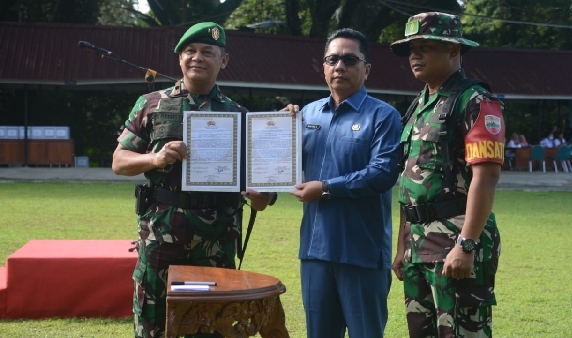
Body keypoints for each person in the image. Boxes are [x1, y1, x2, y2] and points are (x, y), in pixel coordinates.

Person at [112, 22, 276, 338]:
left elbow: (262, 183)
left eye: (207, 52)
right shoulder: (152, 105)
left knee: (213, 323)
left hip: (217, 237)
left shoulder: (239, 115)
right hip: (163, 233)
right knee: (153, 322)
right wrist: (155, 159)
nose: (197, 58)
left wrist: (263, 197)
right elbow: (119, 162)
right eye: (190, 51)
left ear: (223, 61)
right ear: (180, 59)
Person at [389, 12, 504, 337]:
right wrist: (402, 246)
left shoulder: (475, 101)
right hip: (418, 247)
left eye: (425, 46)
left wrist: (466, 244)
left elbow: (487, 177)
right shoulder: (419, 106)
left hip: (456, 242)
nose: (415, 55)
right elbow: (410, 181)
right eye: (411, 49)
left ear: (454, 50)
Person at [284, 28, 403, 337]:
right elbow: (282, 169)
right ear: (323, 67)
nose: (340, 66)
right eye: (332, 59)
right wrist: (278, 130)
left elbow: (382, 174)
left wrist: (324, 188)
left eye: (350, 59)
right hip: (314, 252)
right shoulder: (304, 115)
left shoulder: (384, 116)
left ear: (367, 69)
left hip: (361, 253)